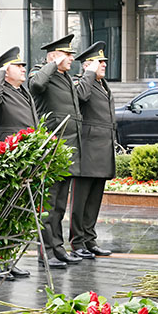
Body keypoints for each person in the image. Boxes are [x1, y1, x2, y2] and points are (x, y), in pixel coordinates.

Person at [28, 34, 83, 268]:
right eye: (67, 55)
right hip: (52, 148)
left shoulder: (65, 77)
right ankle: (45, 250)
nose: (71, 58)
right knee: (48, 205)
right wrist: (52, 64)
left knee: (60, 204)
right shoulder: (41, 72)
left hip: (68, 148)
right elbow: (36, 86)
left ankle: (58, 248)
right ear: (54, 56)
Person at [0, 45, 36, 280]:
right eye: (17, 65)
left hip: (25, 158)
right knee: (2, 211)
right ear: (6, 71)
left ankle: (8, 259)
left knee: (16, 213)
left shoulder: (22, 91)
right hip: (8, 156)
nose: (23, 68)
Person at [70, 41, 115, 260]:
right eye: (99, 62)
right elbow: (81, 98)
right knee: (80, 200)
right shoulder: (82, 83)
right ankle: (77, 241)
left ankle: (89, 239)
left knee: (95, 199)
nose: (104, 65)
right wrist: (88, 73)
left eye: (104, 61)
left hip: (102, 150)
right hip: (87, 150)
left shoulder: (102, 84)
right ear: (87, 65)